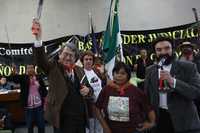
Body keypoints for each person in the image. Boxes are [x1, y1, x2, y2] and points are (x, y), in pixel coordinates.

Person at [31, 19, 93, 133]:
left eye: (72, 56)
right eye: (66, 54)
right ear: (59, 55)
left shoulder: (79, 70)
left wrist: (88, 90)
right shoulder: (53, 67)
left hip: (80, 119)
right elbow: (41, 60)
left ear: (75, 58)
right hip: (62, 120)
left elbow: (90, 90)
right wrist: (38, 39)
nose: (68, 58)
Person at [144, 37, 200, 133]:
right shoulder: (150, 70)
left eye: (167, 48)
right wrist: (149, 118)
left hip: (184, 121)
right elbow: (147, 96)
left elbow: (196, 92)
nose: (163, 52)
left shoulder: (188, 67)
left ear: (172, 49)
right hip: (160, 120)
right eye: (159, 50)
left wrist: (173, 82)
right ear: (155, 52)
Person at [95, 62, 156, 133]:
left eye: (122, 73)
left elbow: (148, 108)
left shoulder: (136, 91)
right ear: (113, 74)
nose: (119, 76)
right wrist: (105, 127)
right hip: (111, 130)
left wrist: (151, 123)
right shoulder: (106, 90)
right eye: (116, 73)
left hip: (133, 130)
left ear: (128, 75)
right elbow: (96, 108)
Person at [80, 51, 106, 133]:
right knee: (90, 130)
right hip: (89, 108)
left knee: (99, 129)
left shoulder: (96, 71)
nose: (88, 61)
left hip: (100, 106)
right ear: (82, 61)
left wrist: (104, 75)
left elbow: (103, 85)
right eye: (86, 59)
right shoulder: (80, 73)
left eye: (90, 59)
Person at [19, 64, 48, 133]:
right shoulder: (23, 78)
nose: (30, 69)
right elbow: (14, 78)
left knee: (41, 125)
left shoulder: (38, 77)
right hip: (29, 107)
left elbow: (44, 91)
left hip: (39, 106)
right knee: (30, 126)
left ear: (33, 69)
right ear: (26, 70)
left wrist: (45, 101)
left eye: (31, 68)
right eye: (28, 68)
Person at [178, 41, 200, 118]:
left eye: (188, 46)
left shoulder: (197, 60)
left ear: (192, 48)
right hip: (184, 92)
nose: (186, 48)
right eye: (184, 47)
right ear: (181, 49)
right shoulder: (177, 61)